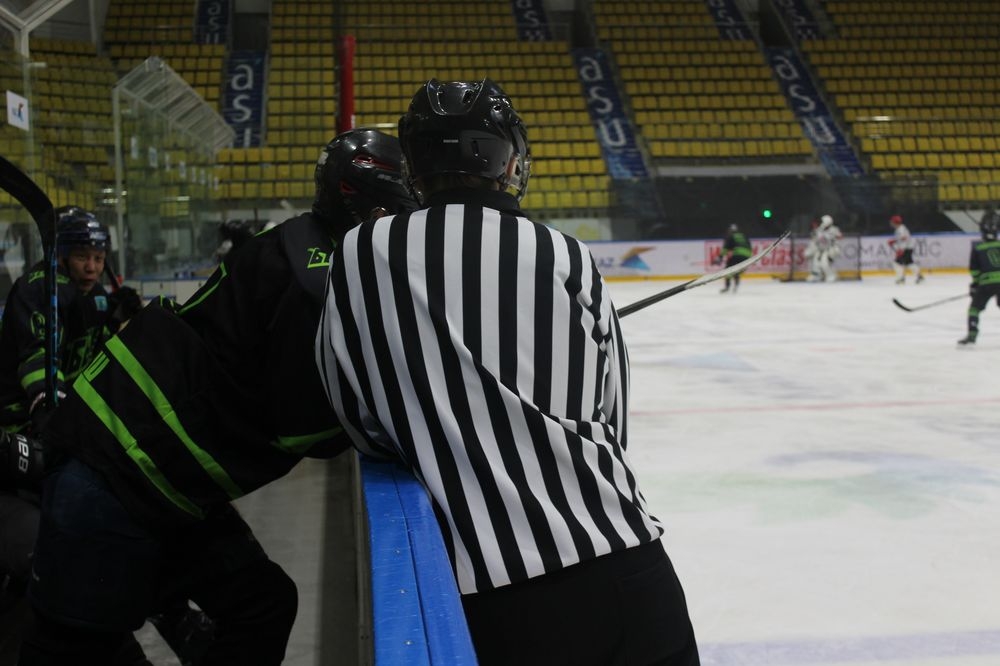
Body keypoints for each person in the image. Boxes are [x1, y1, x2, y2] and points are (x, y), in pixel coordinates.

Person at [316, 79, 699, 666]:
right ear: (509, 162)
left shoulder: (361, 251)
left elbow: (355, 410)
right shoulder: (568, 254)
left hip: (501, 594)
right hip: (629, 562)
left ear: (415, 164)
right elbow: (613, 414)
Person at [12, 128, 414, 664]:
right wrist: (390, 424)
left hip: (156, 476)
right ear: (376, 210)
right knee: (75, 648)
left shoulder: (301, 238)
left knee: (263, 605)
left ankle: (157, 602)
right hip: (116, 474)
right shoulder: (317, 287)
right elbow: (302, 427)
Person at [0, 207, 148, 665]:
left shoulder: (94, 295)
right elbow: (36, 362)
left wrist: (126, 323)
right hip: (18, 430)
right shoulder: (39, 289)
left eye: (98, 257)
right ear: (61, 255)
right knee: (49, 547)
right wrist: (51, 411)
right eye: (82, 256)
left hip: (62, 432)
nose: (92, 266)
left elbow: (100, 359)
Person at [957, 209, 1000, 346]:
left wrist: (975, 285)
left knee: (974, 309)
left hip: (986, 283)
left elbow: (975, 270)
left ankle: (972, 335)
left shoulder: (978, 247)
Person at [716, 223, 752, 293]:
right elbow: (749, 246)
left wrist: (720, 257)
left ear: (730, 230)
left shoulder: (731, 236)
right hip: (747, 255)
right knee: (736, 270)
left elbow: (725, 249)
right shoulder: (743, 235)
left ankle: (727, 287)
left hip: (737, 254)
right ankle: (736, 286)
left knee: (728, 269)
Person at [806, 214, 841, 282]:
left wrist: (833, 236)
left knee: (824, 263)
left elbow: (840, 236)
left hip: (828, 249)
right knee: (815, 263)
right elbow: (814, 238)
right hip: (820, 249)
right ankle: (816, 275)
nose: (821, 223)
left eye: (822, 221)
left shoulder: (833, 229)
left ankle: (831, 275)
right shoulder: (819, 230)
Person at [888, 214, 923, 284]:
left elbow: (904, 239)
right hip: (907, 247)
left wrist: (901, 249)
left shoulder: (900, 229)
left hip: (906, 248)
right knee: (908, 262)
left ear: (895, 222)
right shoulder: (900, 228)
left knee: (897, 263)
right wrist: (894, 241)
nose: (891, 223)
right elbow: (902, 238)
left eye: (892, 221)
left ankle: (901, 278)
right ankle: (919, 276)